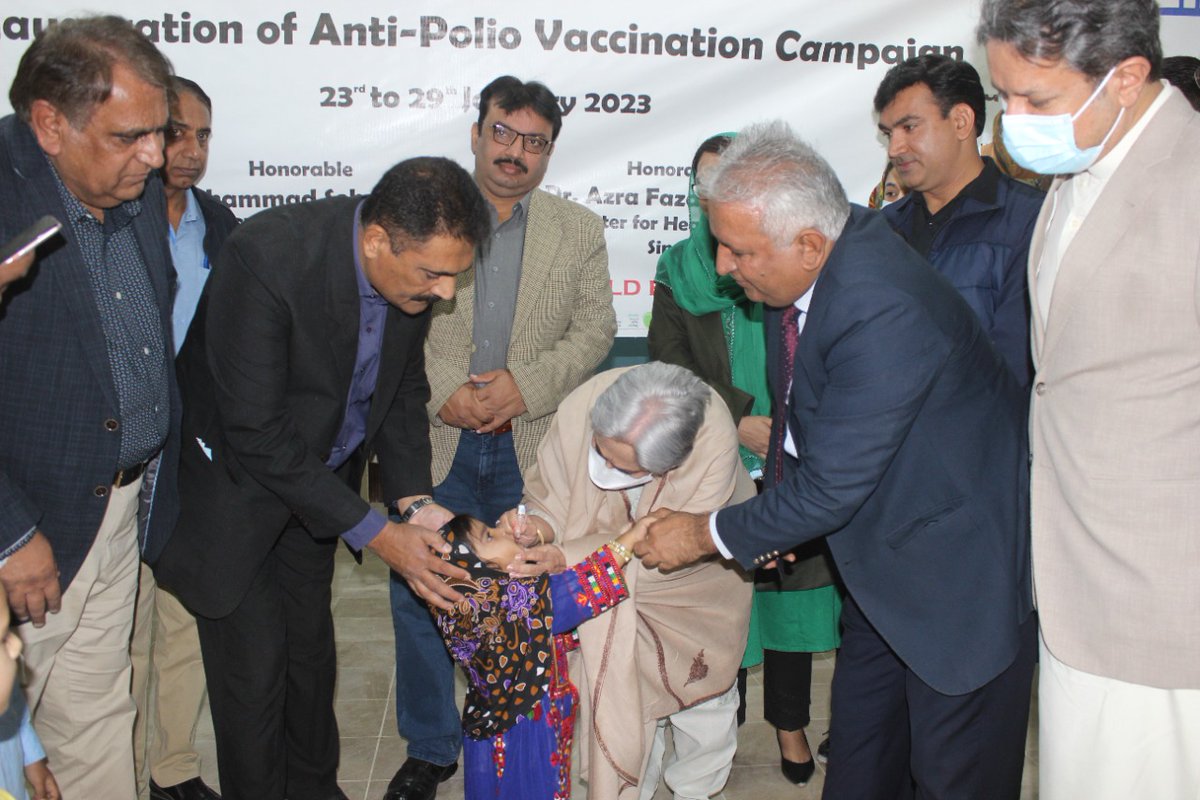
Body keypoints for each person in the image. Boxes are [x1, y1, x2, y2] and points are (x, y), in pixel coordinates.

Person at [638, 121, 1036, 800]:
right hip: (883, 575)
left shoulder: (883, 306)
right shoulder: (801, 268)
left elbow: (833, 487)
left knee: (951, 777)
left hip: (954, 588)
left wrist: (704, 533)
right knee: (859, 765)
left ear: (810, 244)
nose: (727, 268)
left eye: (738, 252)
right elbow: (803, 410)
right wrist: (777, 508)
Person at [151, 157, 490, 800]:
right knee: (254, 679)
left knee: (309, 658)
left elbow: (400, 388)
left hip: (316, 494)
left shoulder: (408, 280)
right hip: (236, 496)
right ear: (375, 242)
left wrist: (413, 501)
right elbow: (256, 432)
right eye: (435, 274)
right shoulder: (267, 259)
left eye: (456, 275)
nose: (446, 292)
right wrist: (377, 533)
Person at [979, 0, 1200, 796]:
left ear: (1128, 77)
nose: (1012, 120)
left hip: (1165, 594)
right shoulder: (1081, 166)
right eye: (1004, 97)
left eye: (1035, 100)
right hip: (1072, 577)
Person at [386, 74, 616, 800]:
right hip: (435, 436)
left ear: (550, 151)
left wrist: (525, 385)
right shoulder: (429, 212)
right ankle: (431, 744)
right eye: (503, 133)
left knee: (528, 590)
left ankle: (533, 723)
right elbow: (398, 307)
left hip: (530, 440)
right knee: (423, 586)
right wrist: (448, 388)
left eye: (534, 141)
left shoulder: (577, 230)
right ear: (478, 132)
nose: (515, 151)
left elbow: (596, 330)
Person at [0, 15, 180, 796]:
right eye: (130, 135)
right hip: (29, 531)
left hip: (118, 509)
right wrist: (9, 534)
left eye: (160, 131)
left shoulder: (131, 191)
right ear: (49, 123)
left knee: (97, 717)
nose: (155, 154)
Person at [647, 134, 839, 787]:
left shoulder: (782, 258)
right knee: (717, 602)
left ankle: (789, 723)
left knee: (784, 596)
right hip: (708, 453)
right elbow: (667, 361)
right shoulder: (677, 269)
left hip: (792, 451)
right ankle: (710, 728)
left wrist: (781, 425)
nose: (715, 204)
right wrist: (736, 416)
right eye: (706, 191)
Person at [499, 361, 753, 800]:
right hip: (607, 584)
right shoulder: (583, 408)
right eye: (599, 451)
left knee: (705, 705)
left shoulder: (712, 448)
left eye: (624, 467)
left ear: (668, 465)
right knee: (629, 701)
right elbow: (552, 498)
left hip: (695, 592)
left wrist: (567, 557)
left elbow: (665, 551)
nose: (602, 466)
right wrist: (535, 529)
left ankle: (698, 790)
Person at [130, 76, 235, 800]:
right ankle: (116, 767)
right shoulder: (112, 219)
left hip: (194, 452)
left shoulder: (221, 224)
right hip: (121, 450)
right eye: (176, 132)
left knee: (182, 612)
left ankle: (171, 768)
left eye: (202, 135)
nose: (189, 150)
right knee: (119, 627)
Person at [432, 514, 645, 800]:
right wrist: (630, 539)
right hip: (527, 730)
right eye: (489, 536)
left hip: (488, 723)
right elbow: (582, 587)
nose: (502, 532)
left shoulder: (473, 608)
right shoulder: (514, 603)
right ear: (477, 569)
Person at [874, 53, 1044, 391]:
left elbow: (1016, 372)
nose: (895, 148)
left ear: (961, 122)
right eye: (888, 133)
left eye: (909, 127)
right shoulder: (881, 230)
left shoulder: (1030, 221)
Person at [0, 591, 59, 800]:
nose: (16, 644)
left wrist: (33, 760)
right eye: (2, 639)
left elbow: (18, 712)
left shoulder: (4, 696)